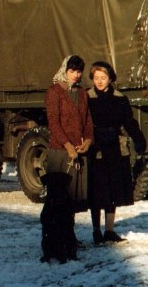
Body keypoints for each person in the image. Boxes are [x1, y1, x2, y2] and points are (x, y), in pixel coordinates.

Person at [87, 61, 146, 244]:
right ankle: (96, 230)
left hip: (113, 147)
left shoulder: (120, 99)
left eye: (103, 78)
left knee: (112, 190)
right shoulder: (86, 98)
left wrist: (138, 139)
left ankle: (109, 230)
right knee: (96, 190)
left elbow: (129, 122)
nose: (99, 81)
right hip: (94, 147)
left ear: (110, 78)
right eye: (96, 78)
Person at [42, 54, 93, 262]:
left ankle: (69, 237)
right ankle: (57, 239)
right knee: (59, 199)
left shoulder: (82, 93)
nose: (75, 75)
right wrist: (68, 146)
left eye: (79, 71)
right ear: (65, 70)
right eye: (72, 71)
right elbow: (53, 123)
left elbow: (88, 120)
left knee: (73, 198)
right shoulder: (54, 92)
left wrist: (88, 140)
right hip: (60, 152)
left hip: (78, 151)